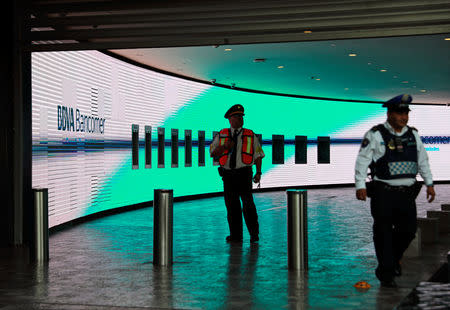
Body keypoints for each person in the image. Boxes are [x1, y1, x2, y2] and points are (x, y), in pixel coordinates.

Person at [355, 94, 436, 288]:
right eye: (400, 113)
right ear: (390, 113)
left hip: (407, 193)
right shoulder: (375, 134)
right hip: (383, 192)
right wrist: (360, 185)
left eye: (406, 113)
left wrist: (430, 183)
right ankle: (387, 273)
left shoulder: (413, 134)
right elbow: (362, 160)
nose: (404, 117)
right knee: (383, 232)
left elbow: (422, 160)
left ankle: (394, 258)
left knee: (408, 231)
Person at [210, 104, 265, 243]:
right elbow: (212, 153)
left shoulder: (250, 134)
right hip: (228, 176)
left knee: (248, 205)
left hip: (244, 174)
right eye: (237, 116)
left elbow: (258, 155)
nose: (240, 119)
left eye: (241, 116)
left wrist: (258, 173)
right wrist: (224, 147)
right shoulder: (222, 134)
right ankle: (236, 235)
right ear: (230, 119)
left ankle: (254, 234)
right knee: (232, 206)